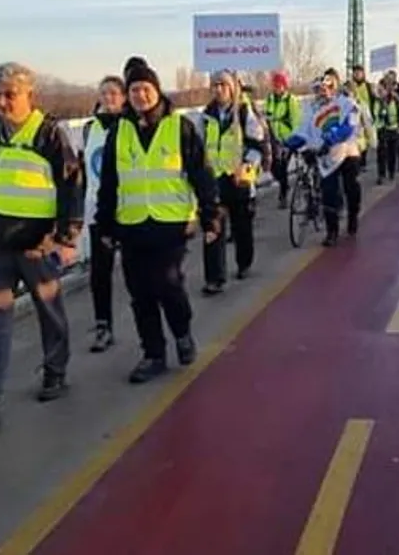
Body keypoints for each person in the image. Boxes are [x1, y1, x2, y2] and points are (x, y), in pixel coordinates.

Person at [0, 62, 84, 427]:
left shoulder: (50, 133)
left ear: (30, 95)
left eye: (11, 95)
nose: (3, 102)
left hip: (37, 244)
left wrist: (67, 238)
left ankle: (55, 370)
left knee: (49, 309)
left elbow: (72, 186)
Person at [94, 62, 219, 384]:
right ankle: (153, 354)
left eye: (145, 88)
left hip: (170, 223)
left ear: (157, 90)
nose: (140, 95)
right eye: (133, 90)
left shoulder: (179, 128)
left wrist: (209, 215)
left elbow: (201, 175)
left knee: (168, 284)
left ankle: (182, 333)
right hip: (133, 224)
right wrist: (105, 226)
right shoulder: (118, 132)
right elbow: (109, 183)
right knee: (140, 294)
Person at [201, 70, 267, 294]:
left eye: (223, 85)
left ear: (232, 88)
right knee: (213, 228)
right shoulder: (207, 115)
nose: (218, 89)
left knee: (242, 227)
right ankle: (215, 277)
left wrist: (247, 167)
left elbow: (257, 144)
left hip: (238, 179)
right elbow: (201, 147)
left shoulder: (243, 111)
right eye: (215, 85)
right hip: (215, 179)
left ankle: (244, 263)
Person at [285, 68, 367, 246]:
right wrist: (290, 144)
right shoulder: (312, 109)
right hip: (325, 157)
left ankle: (353, 215)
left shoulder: (348, 103)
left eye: (325, 89)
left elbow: (349, 127)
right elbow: (302, 131)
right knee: (329, 192)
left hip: (347, 152)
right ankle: (332, 231)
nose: (321, 93)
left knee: (351, 187)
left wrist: (330, 139)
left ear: (333, 88)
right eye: (318, 90)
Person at [78, 75, 125, 352]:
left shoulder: (130, 126)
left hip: (129, 209)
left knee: (138, 273)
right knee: (100, 272)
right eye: (104, 93)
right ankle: (103, 325)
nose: (109, 99)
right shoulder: (89, 129)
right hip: (98, 210)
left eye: (114, 94)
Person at [264, 70, 302, 209]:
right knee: (274, 168)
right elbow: (267, 114)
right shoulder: (270, 98)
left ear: (284, 86)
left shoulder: (290, 100)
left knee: (282, 165)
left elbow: (296, 121)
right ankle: (284, 185)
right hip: (274, 138)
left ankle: (283, 195)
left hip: (288, 139)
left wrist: (292, 140)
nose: (277, 88)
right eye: (275, 85)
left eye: (279, 85)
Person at [373, 77, 399, 184]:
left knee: (392, 152)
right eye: (379, 88)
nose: (380, 90)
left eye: (382, 88)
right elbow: (374, 114)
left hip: (393, 129)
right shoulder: (377, 100)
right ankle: (381, 174)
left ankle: (391, 171)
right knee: (381, 153)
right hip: (381, 128)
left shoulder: (395, 99)